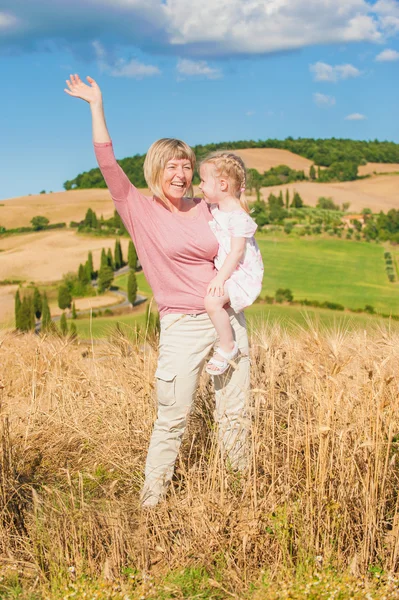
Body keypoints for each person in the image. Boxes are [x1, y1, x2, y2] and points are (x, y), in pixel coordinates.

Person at [65, 74, 251, 507]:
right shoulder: (137, 208)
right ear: (155, 170)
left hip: (227, 317)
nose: (181, 174)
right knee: (172, 418)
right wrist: (96, 104)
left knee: (235, 415)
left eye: (187, 166)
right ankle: (151, 503)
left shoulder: (209, 208)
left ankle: (242, 499)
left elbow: (240, 228)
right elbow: (107, 161)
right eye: (172, 166)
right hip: (182, 326)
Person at [199, 153, 264, 375]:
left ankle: (228, 347)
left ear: (223, 184)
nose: (199, 186)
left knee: (212, 302)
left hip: (239, 274)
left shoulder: (237, 216)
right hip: (230, 271)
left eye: (203, 181)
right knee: (214, 302)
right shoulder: (217, 210)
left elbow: (236, 252)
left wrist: (220, 278)